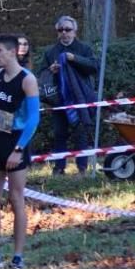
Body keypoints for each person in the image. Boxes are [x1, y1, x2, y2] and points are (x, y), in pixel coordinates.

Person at [0, 34, 39, 269]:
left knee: (15, 198)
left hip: (16, 142)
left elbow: (34, 118)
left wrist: (19, 149)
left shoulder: (27, 80)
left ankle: (18, 255)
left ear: (12, 52)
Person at [38, 16, 98, 175]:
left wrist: (74, 59)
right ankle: (59, 168)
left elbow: (94, 67)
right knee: (59, 133)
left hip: (80, 98)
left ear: (75, 31)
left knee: (81, 134)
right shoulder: (50, 52)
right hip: (59, 99)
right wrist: (51, 69)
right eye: (60, 30)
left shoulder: (84, 48)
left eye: (68, 29)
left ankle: (82, 168)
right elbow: (41, 74)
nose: (64, 33)